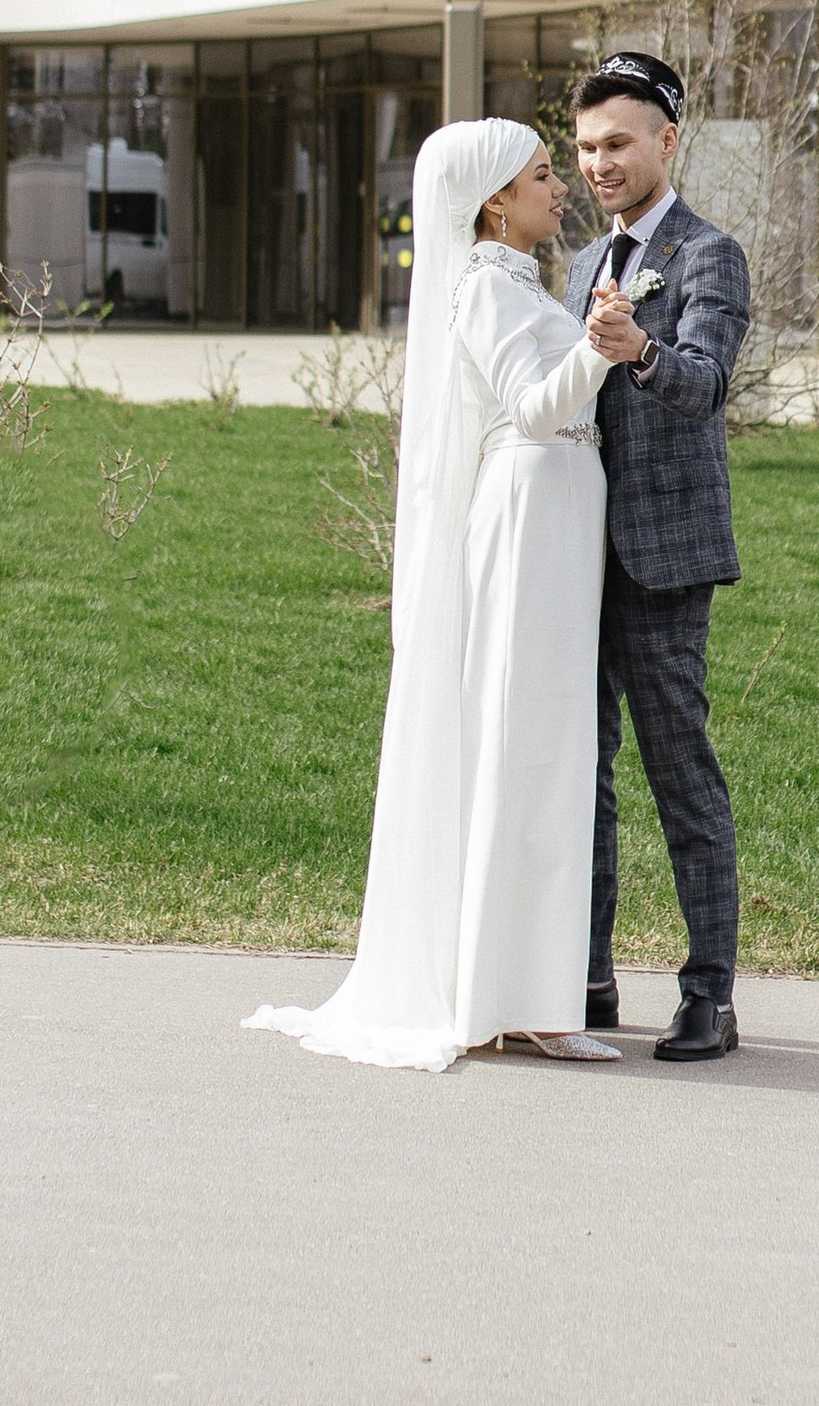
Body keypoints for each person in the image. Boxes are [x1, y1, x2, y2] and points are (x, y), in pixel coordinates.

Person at [244, 115, 637, 1072]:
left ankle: (526, 992)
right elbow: (537, 408)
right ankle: (502, 996)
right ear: (496, 200)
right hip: (528, 517)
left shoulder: (516, 283)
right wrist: (602, 348)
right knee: (522, 738)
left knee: (550, 743)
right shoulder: (483, 294)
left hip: (559, 519)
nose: (561, 187)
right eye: (545, 175)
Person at [564, 50, 752, 1062]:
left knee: (679, 770)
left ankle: (709, 992)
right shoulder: (577, 264)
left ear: (665, 143)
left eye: (618, 143)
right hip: (572, 562)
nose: (599, 162)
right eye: (587, 146)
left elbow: (705, 384)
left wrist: (635, 348)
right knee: (580, 774)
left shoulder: (706, 253)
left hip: (664, 557)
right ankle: (587, 973)